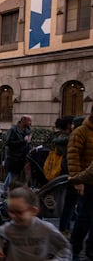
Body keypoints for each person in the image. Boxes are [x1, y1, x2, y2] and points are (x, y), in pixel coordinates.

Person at [0, 187, 71, 260]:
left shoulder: (45, 228)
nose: (13, 216)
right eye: (11, 211)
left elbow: (65, 247)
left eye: (19, 212)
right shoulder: (10, 227)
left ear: (33, 211)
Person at [67, 111, 93, 260]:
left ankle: (91, 249)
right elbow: (73, 157)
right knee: (85, 217)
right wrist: (78, 181)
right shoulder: (81, 132)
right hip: (86, 181)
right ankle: (75, 248)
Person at [1, 115, 32, 196]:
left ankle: (5, 190)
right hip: (13, 157)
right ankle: (10, 193)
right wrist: (22, 141)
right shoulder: (13, 130)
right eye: (29, 121)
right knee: (13, 175)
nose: (30, 123)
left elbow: (28, 143)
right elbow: (8, 143)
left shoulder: (28, 130)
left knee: (12, 174)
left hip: (23, 157)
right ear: (24, 120)